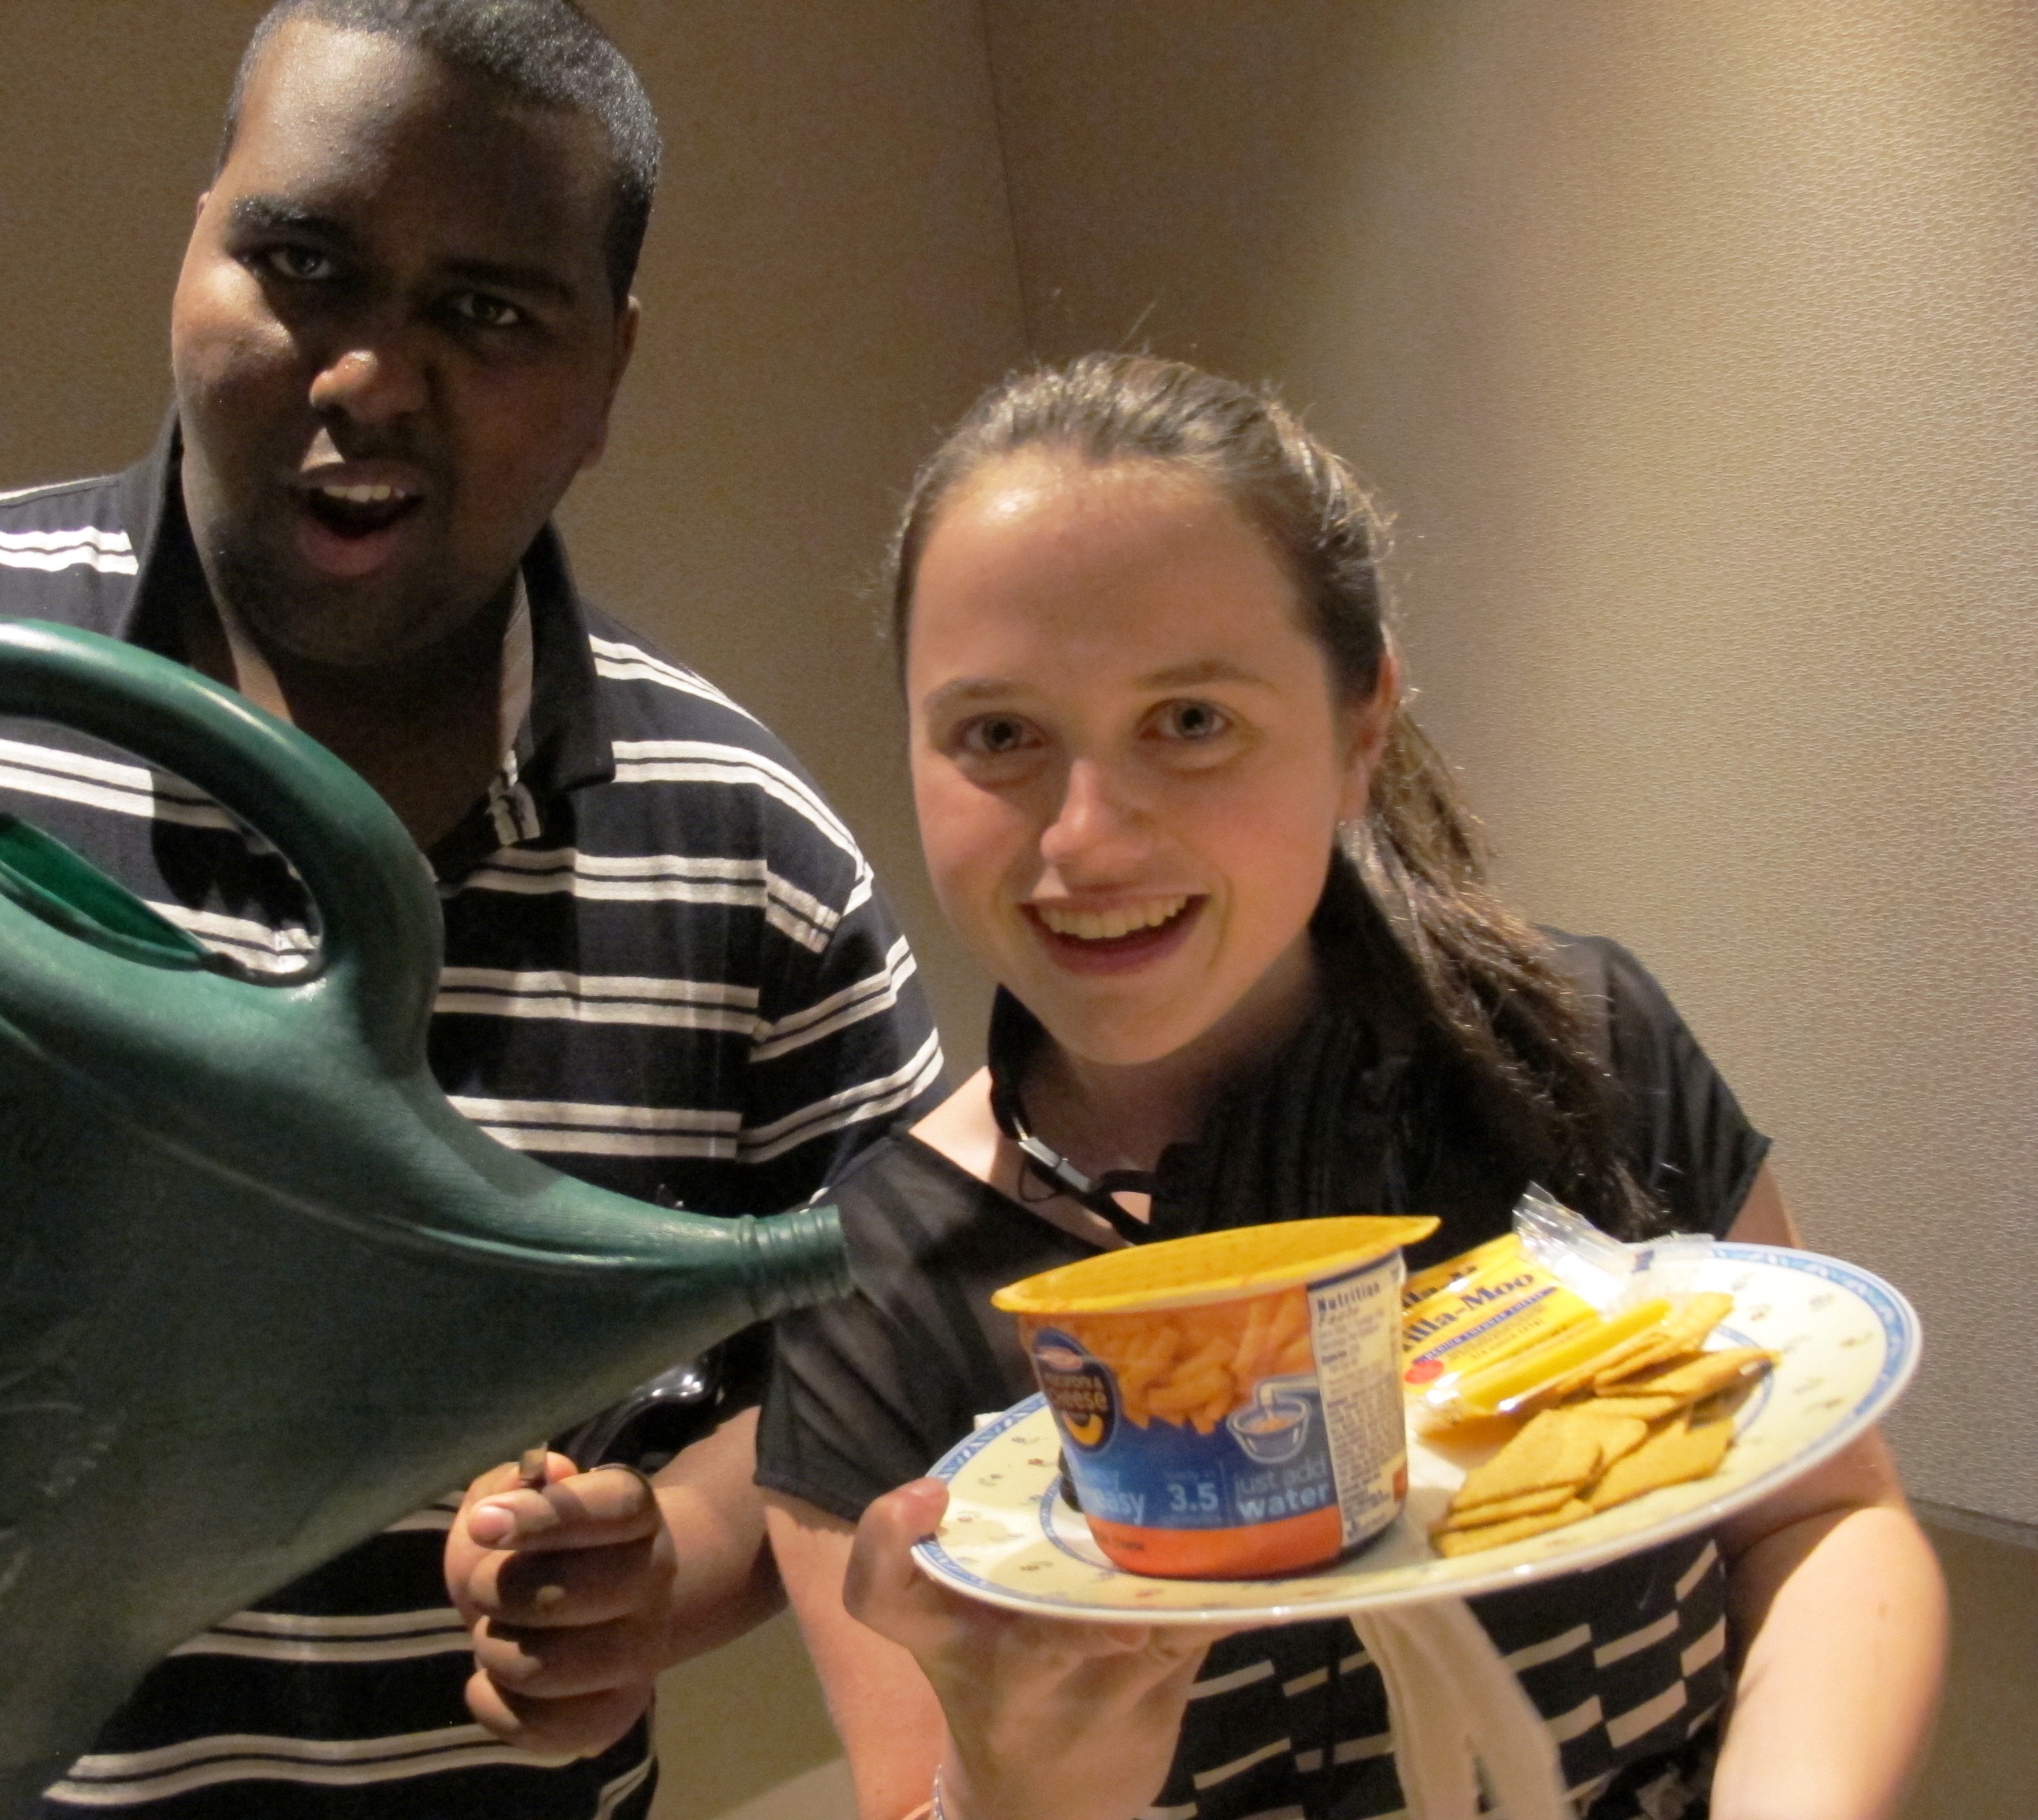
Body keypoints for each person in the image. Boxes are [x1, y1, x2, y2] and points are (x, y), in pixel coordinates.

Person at [0, 3, 942, 1815]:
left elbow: (899, 1340)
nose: (371, 379)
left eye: (487, 313)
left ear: (610, 369)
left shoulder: (747, 861)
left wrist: (666, 1569)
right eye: (301, 262)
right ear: (198, 242)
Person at [754, 355, 1946, 1820]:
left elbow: (1824, 1517)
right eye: (999, 736)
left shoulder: (1585, 1050)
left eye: (1190, 721)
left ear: (1360, 726)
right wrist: (1013, 1798)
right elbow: (904, 1796)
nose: (1088, 839)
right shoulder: (872, 1288)